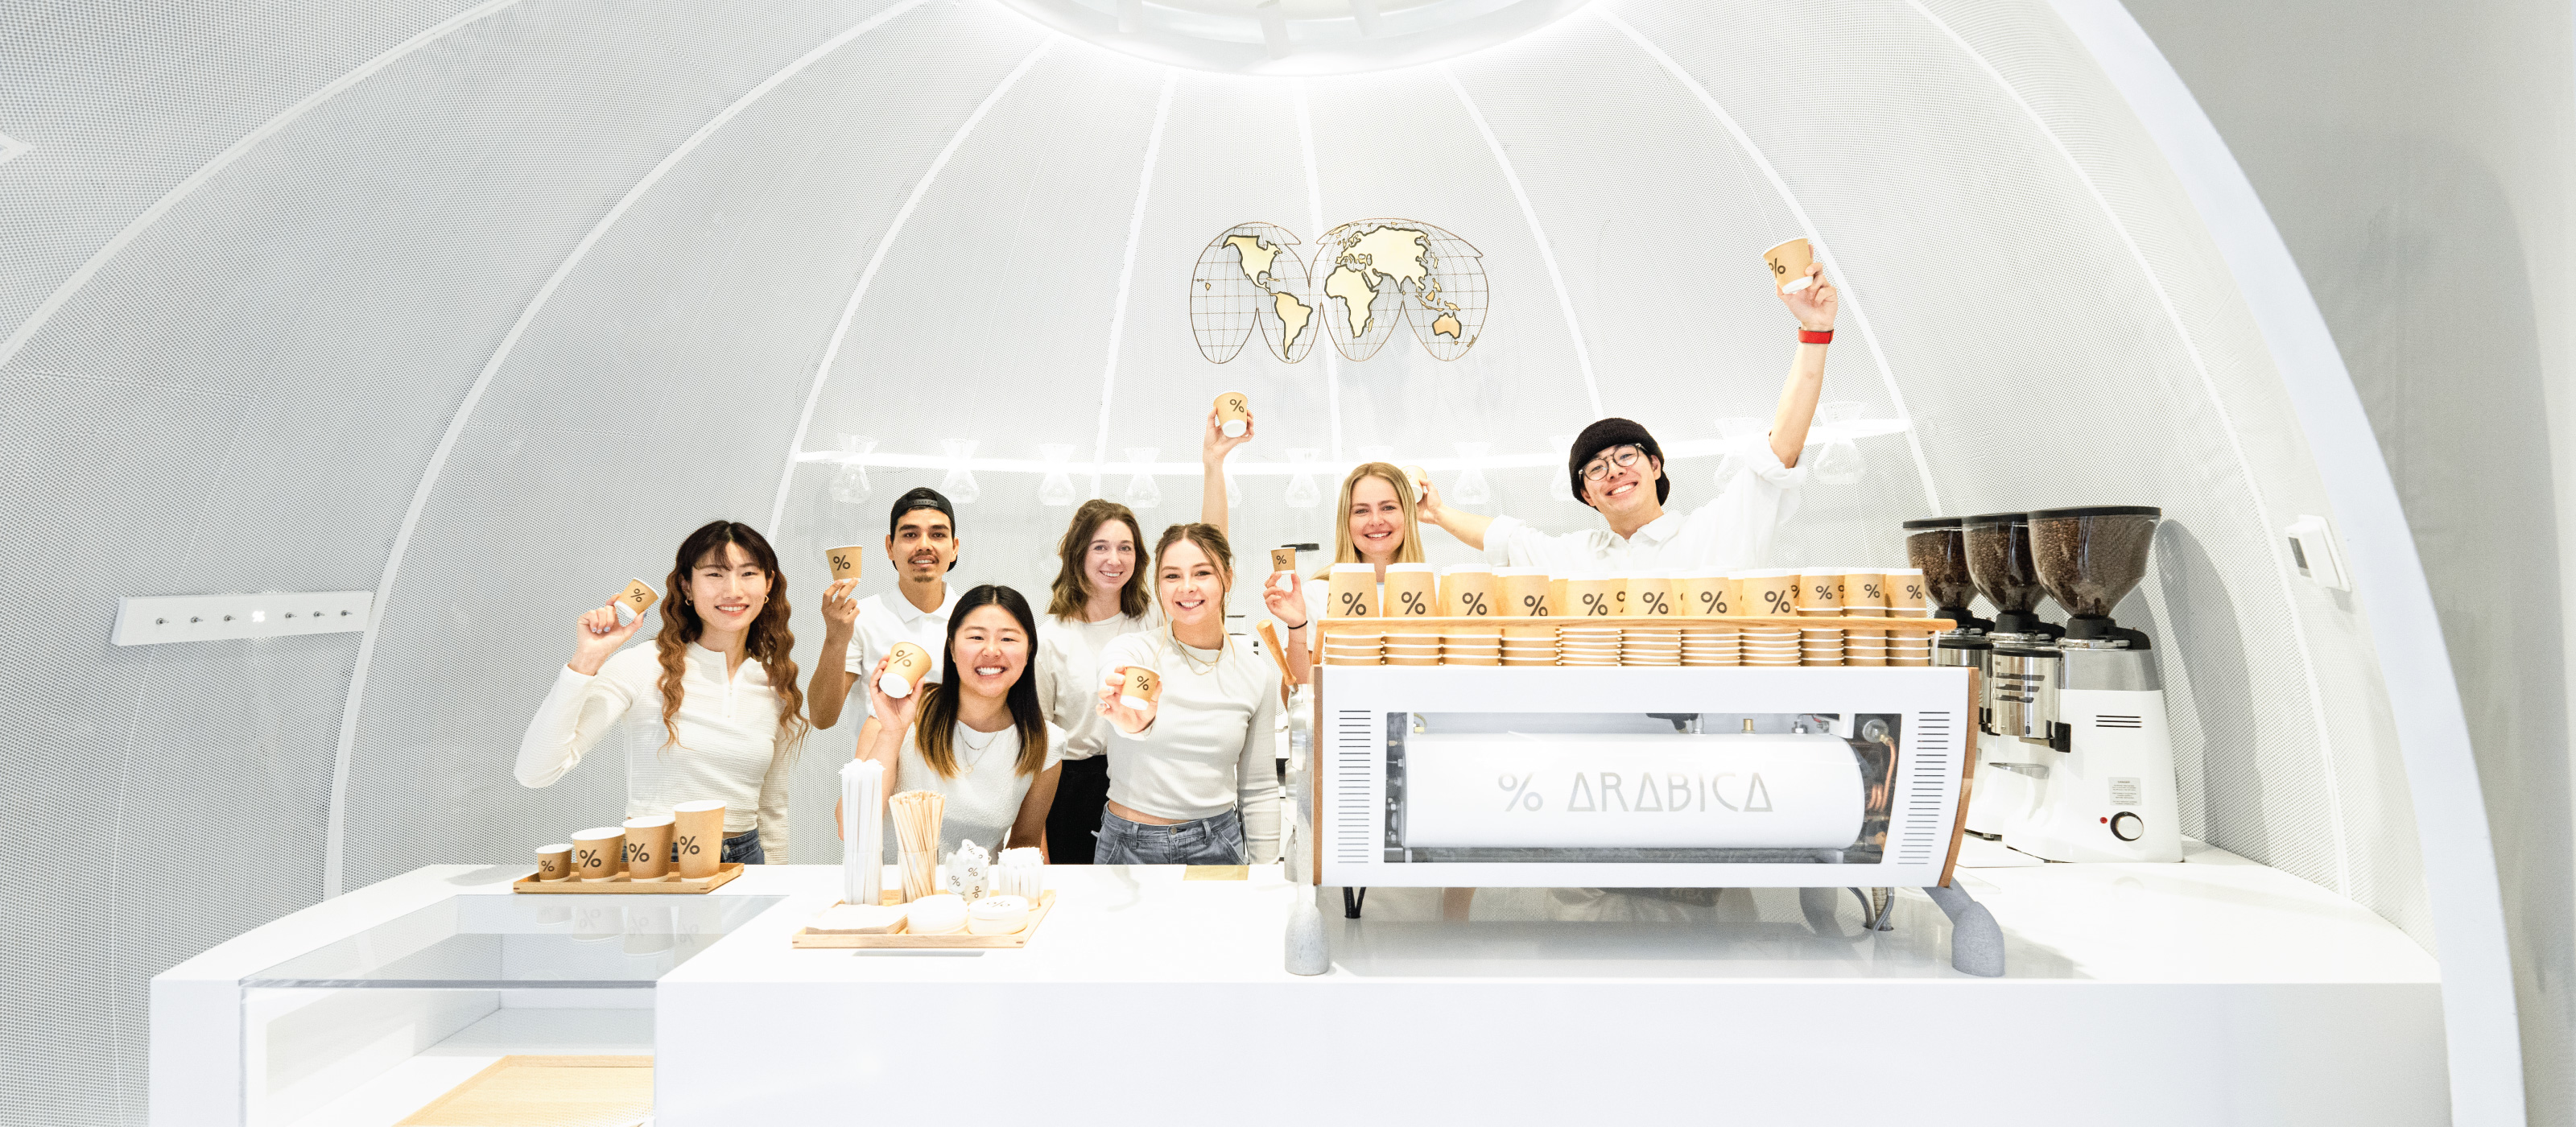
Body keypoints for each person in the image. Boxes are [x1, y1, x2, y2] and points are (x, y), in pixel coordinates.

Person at [1426, 262, 1839, 571]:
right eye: (1595, 468)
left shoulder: (1719, 528)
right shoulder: (1576, 557)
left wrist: (1815, 330)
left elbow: (1781, 449)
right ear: (1587, 495)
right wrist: (1438, 513)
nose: (1614, 472)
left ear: (1655, 465)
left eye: (1626, 455)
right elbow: (1505, 538)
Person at [517, 521, 808, 864]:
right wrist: (587, 660)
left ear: (768, 584)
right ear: (686, 586)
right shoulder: (642, 665)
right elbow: (535, 772)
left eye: (748, 574)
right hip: (655, 862)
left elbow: (772, 808)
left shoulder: (775, 685)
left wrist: (775, 883)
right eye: (714, 575)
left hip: (748, 861)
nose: (733, 590)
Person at [1034, 411, 1249, 862]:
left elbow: (1209, 552)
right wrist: (1036, 841)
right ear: (1077, 554)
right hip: (1071, 787)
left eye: (1125, 548)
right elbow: (1037, 747)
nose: (1114, 560)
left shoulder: (1152, 618)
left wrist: (1214, 464)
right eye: (1100, 547)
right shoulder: (1051, 638)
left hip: (1141, 777)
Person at [1093, 523, 1283, 865]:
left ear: (1227, 578)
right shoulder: (1134, 651)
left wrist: (1265, 870)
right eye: (1172, 576)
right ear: (1158, 584)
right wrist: (1133, 720)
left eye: (1202, 573)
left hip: (1218, 845)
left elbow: (1259, 788)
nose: (1186, 587)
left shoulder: (1256, 674)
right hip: (1128, 846)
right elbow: (1118, 678)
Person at [856, 584, 1063, 859]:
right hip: (894, 885)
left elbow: (1025, 844)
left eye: (1008, 639)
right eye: (976, 637)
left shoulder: (1045, 743)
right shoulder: (899, 713)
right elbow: (853, 827)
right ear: (952, 648)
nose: (991, 650)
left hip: (980, 887)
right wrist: (892, 732)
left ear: (1029, 651)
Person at [810, 487, 960, 744]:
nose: (924, 545)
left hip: (953, 765)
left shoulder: (974, 619)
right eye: (910, 534)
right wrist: (835, 638)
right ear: (890, 547)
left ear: (954, 548)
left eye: (937, 534)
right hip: (876, 766)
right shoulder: (860, 617)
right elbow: (822, 718)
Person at [1257, 461, 1430, 683]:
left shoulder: (1436, 592)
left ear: (1408, 514)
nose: (1376, 520)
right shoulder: (1317, 593)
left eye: (1388, 507)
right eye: (1361, 511)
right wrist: (1297, 627)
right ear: (1346, 522)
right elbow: (1297, 696)